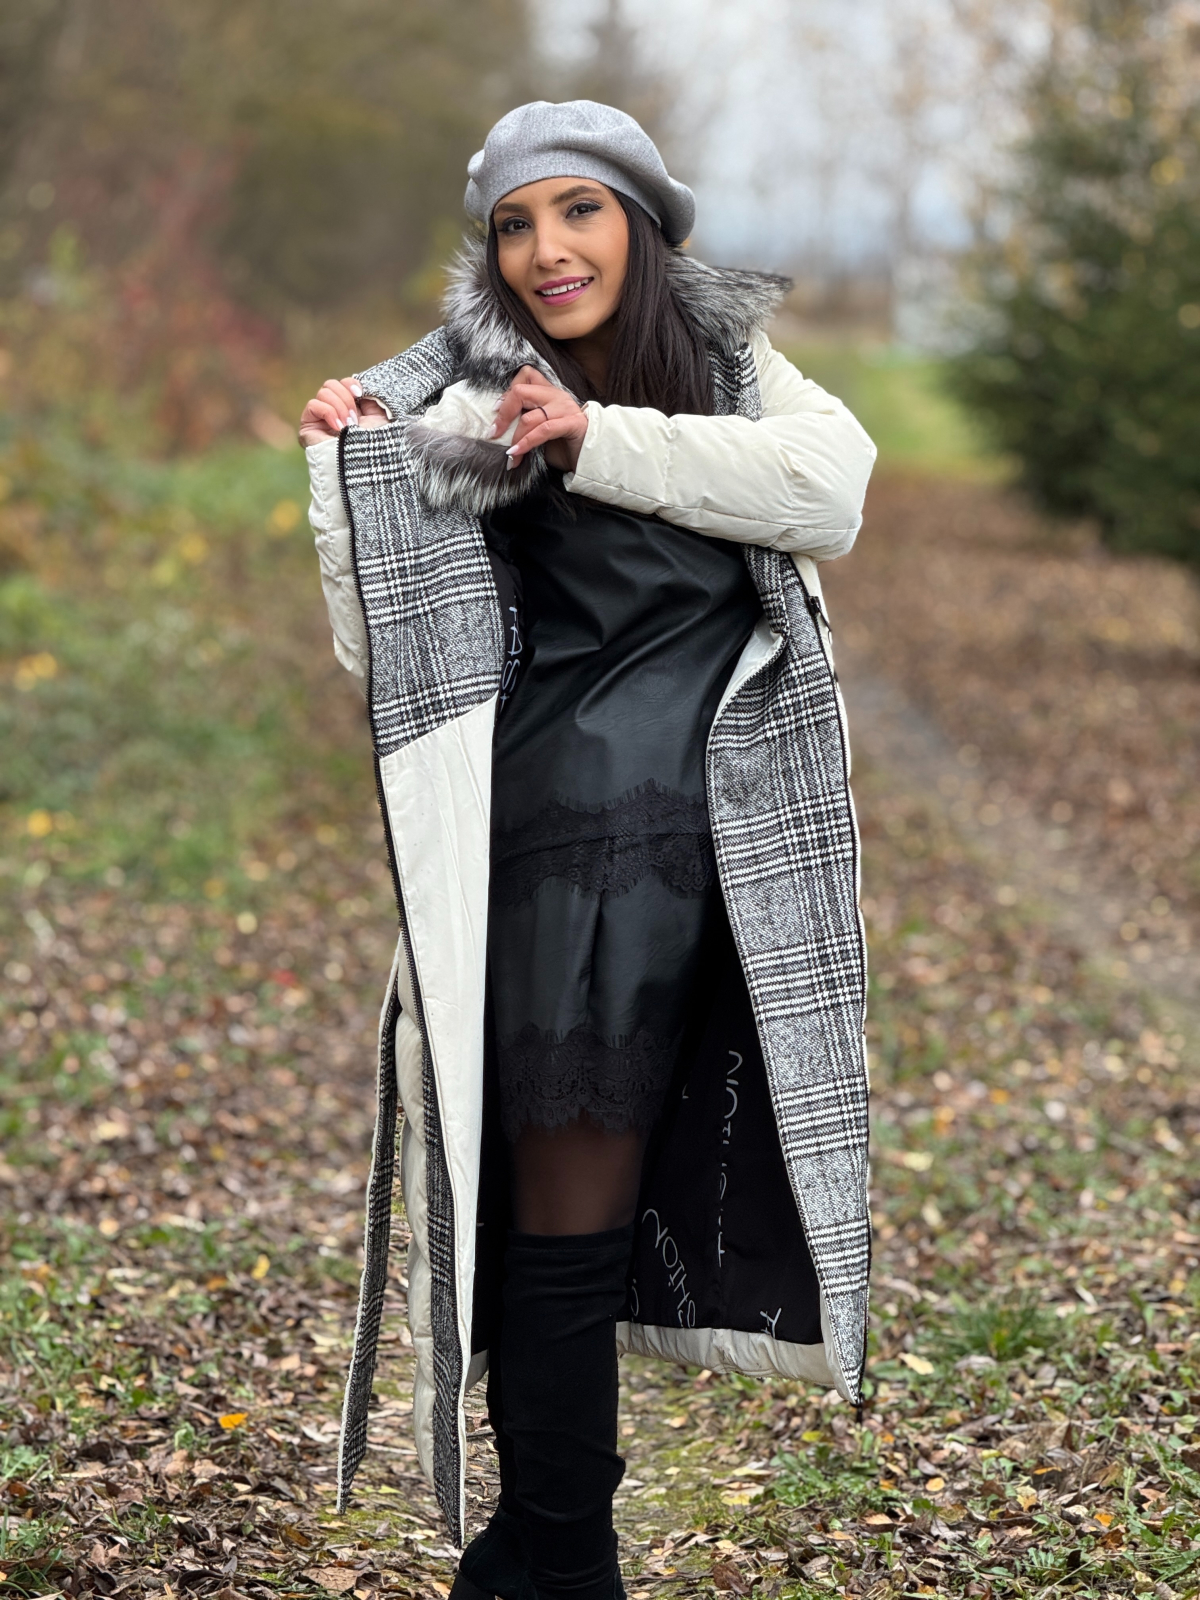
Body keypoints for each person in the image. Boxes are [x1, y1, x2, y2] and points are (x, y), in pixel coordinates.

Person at [301, 100, 876, 1600]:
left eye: (579, 211)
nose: (547, 250)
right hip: (572, 845)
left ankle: (544, 1547)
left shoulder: (730, 365)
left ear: (643, 224)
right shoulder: (463, 392)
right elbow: (386, 653)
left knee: (598, 1196)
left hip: (725, 843)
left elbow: (832, 492)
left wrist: (594, 437)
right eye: (515, 223)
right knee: (556, 1203)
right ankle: (558, 1546)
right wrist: (344, 482)